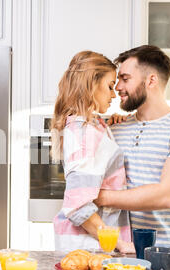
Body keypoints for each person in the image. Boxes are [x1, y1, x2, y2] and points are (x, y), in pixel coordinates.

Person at [95, 45, 170, 248]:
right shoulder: (115, 128)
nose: (117, 87)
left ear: (151, 80)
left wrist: (96, 196)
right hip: (122, 250)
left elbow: (166, 196)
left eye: (125, 78)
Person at [51, 50, 135, 253]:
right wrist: (119, 243)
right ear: (91, 84)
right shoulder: (85, 133)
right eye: (109, 86)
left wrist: (111, 125)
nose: (114, 94)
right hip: (91, 248)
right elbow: (77, 205)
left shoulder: (89, 126)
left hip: (91, 244)